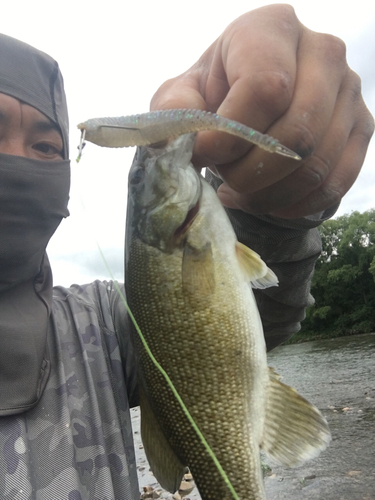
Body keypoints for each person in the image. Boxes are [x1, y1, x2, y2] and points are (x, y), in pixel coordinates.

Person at [0, 4, 373, 499]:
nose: (16, 160)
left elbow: (266, 306)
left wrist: (273, 201)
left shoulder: (102, 326)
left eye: (46, 147)